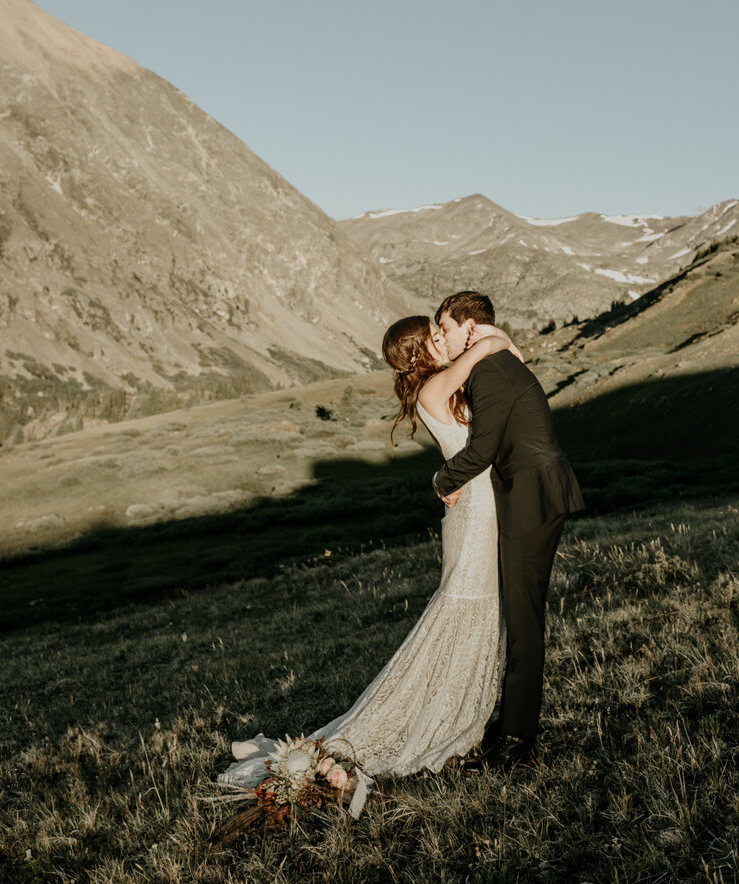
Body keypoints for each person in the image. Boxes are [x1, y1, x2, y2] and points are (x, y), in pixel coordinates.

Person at [217, 312, 518, 790]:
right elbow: (491, 348)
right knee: (463, 609)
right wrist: (480, 333)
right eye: (435, 335)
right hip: (474, 510)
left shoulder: (445, 384)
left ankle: (460, 706)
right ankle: (435, 715)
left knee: (478, 608)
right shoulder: (432, 390)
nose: (445, 339)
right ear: (422, 351)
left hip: (481, 504)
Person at [432, 291, 585, 772]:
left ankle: (516, 744)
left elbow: (482, 450)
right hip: (531, 493)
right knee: (522, 620)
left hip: (531, 497)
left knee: (524, 624)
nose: (442, 337)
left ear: (469, 328)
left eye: (446, 328)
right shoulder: (492, 363)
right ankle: (509, 729)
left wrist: (442, 481)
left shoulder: (490, 371)